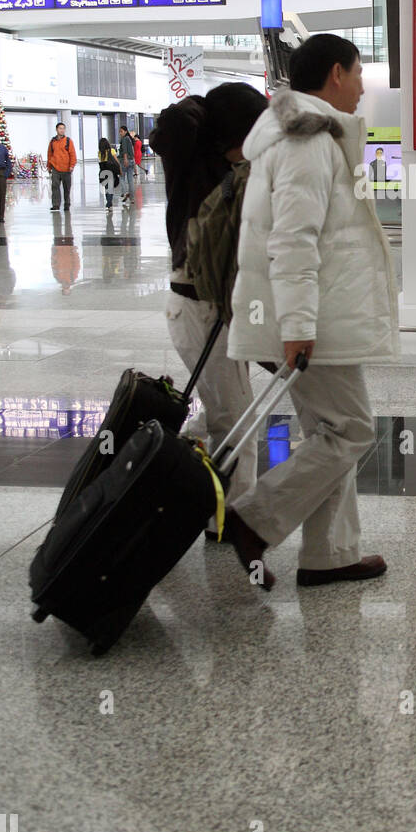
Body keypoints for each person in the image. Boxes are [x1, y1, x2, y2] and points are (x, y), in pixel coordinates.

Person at [225, 34, 399, 589]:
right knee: (350, 430)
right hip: (308, 322)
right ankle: (254, 519)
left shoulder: (303, 135)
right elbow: (293, 240)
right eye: (357, 73)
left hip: (313, 317)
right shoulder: (308, 142)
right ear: (334, 74)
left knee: (329, 430)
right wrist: (298, 327)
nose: (362, 85)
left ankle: (330, 554)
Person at [149, 83, 269, 530]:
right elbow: (175, 123)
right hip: (198, 311)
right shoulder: (191, 161)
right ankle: (233, 525)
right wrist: (206, 104)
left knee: (224, 412)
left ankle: (166, 465)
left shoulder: (227, 167)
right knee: (237, 426)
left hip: (208, 311)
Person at [47, 121, 77, 213]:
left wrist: (72, 165)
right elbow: (49, 154)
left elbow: (72, 154)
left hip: (67, 168)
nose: (62, 130)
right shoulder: (52, 141)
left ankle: (67, 204)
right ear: (56, 130)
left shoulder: (68, 141)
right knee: (55, 187)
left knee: (67, 188)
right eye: (60, 128)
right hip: (55, 168)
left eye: (63, 129)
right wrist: (49, 166)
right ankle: (55, 205)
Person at [98, 138, 120, 209]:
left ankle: (108, 201)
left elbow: (101, 161)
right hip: (111, 171)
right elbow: (116, 161)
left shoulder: (100, 153)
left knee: (106, 188)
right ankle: (109, 202)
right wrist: (119, 170)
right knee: (110, 188)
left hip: (103, 171)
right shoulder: (112, 151)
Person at [118, 124, 136, 203]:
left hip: (125, 161)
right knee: (130, 180)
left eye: (121, 131)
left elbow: (125, 150)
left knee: (121, 177)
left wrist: (125, 159)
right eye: (119, 132)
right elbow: (132, 151)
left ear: (125, 131)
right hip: (131, 161)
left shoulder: (125, 139)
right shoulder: (129, 139)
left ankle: (124, 193)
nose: (120, 133)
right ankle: (132, 198)